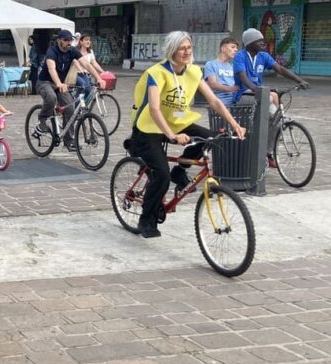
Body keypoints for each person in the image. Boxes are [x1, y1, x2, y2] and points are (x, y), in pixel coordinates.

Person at [130, 31, 246, 238]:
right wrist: (172, 135)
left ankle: (180, 170)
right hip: (149, 127)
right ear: (171, 50)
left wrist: (234, 124)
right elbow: (155, 109)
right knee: (161, 175)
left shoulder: (193, 71)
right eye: (181, 48)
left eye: (189, 48)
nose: (186, 52)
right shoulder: (157, 73)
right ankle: (146, 220)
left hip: (177, 122)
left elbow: (215, 101)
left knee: (211, 138)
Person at [234, 28, 309, 167]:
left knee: (278, 122)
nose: (263, 43)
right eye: (259, 41)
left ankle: (268, 152)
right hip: (244, 95)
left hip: (261, 96)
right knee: (270, 97)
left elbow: (279, 69)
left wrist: (299, 80)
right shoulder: (240, 56)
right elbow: (242, 76)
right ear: (249, 43)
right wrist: (255, 89)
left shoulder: (263, 56)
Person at [36, 29, 106, 148]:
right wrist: (59, 83)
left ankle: (68, 141)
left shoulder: (72, 51)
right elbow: (51, 69)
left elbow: (87, 64)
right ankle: (42, 121)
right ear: (59, 41)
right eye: (65, 40)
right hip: (45, 82)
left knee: (70, 108)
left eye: (70, 40)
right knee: (52, 98)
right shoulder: (52, 51)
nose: (69, 42)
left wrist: (98, 78)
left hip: (61, 84)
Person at [203, 37, 239, 106]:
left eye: (236, 48)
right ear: (223, 49)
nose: (236, 50)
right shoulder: (211, 64)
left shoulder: (233, 66)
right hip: (220, 99)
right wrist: (230, 88)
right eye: (233, 47)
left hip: (235, 98)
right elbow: (212, 83)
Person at [75, 33, 105, 104]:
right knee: (84, 88)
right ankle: (76, 107)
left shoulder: (90, 51)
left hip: (86, 75)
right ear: (81, 41)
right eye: (86, 40)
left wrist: (102, 71)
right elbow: (75, 62)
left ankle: (82, 107)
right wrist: (81, 69)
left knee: (89, 92)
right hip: (77, 74)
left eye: (89, 40)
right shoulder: (76, 51)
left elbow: (94, 63)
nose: (88, 41)